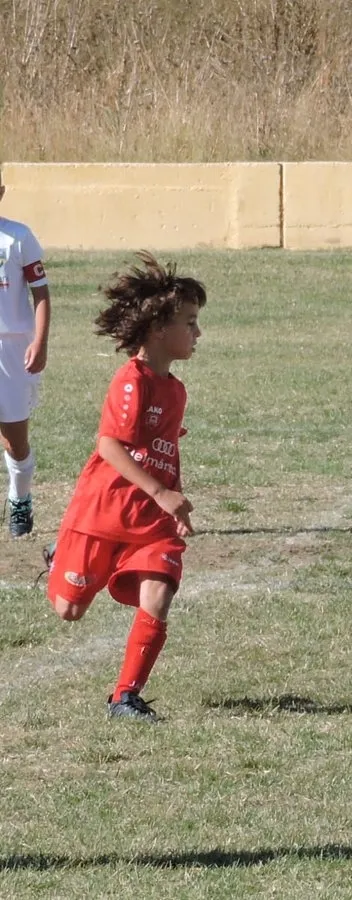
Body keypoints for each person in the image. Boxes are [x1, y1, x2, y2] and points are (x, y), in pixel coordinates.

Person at [46, 252, 206, 722]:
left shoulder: (175, 390)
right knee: (68, 610)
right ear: (159, 329)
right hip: (101, 512)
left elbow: (151, 441)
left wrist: (166, 488)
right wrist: (162, 491)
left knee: (160, 590)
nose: (198, 334)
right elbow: (110, 447)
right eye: (190, 323)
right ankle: (62, 559)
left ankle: (125, 697)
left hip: (152, 522)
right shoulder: (130, 381)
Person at [0, 175, 52, 537]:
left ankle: (20, 499)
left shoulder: (18, 237)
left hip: (11, 347)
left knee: (13, 438)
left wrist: (40, 341)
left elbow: (42, 294)